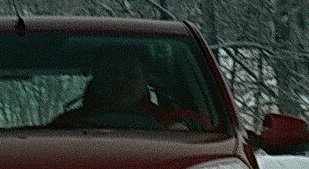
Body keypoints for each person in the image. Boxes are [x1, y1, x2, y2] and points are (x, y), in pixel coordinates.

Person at [50, 49, 209, 131]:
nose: (121, 81)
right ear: (97, 79)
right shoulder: (67, 126)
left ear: (146, 78)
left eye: (130, 73)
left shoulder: (170, 123)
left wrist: (186, 126)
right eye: (111, 74)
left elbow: (202, 129)